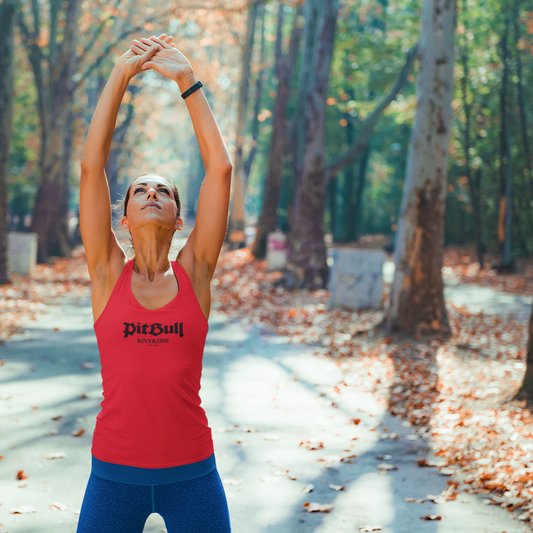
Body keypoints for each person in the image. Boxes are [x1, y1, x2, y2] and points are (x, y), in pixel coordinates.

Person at [76, 32, 233, 533]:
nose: (150, 193)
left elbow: (220, 168)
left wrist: (187, 80)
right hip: (113, 477)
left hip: (193, 475)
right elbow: (91, 166)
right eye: (139, 190)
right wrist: (121, 75)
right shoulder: (106, 274)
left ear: (178, 217)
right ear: (123, 217)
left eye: (162, 190)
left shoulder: (195, 274)